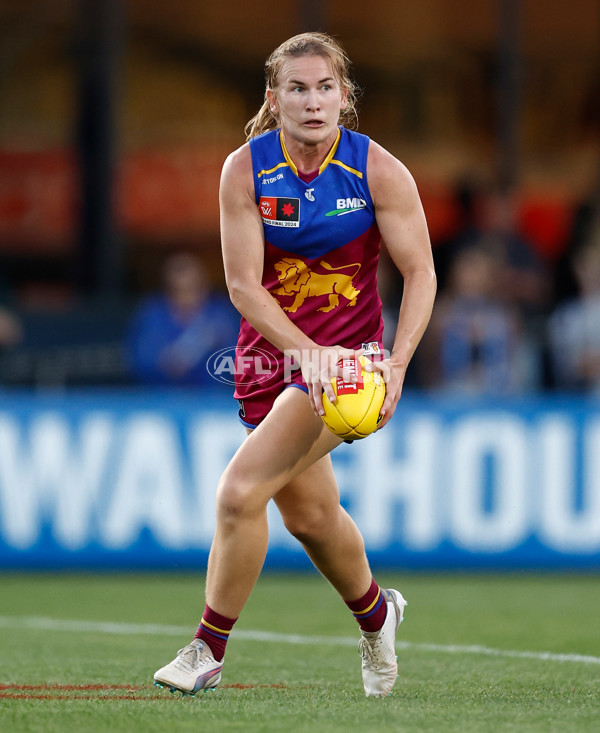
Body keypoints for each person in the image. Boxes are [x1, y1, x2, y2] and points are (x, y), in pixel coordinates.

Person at [153, 32, 436, 698]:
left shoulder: (377, 170)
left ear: (345, 95)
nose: (314, 102)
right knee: (310, 518)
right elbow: (244, 286)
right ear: (274, 98)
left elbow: (421, 271)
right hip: (267, 364)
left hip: (347, 370)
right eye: (298, 88)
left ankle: (207, 648)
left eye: (326, 87)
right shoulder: (245, 170)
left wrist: (395, 364)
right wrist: (298, 351)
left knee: (238, 492)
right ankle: (377, 613)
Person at [125, 252, 238, 387]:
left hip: (212, 398)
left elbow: (240, 360)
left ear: (204, 286)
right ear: (168, 287)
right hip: (158, 396)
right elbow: (138, 358)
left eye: (192, 289)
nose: (186, 298)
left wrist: (217, 346)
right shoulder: (153, 313)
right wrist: (165, 363)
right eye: (179, 291)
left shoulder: (219, 313)